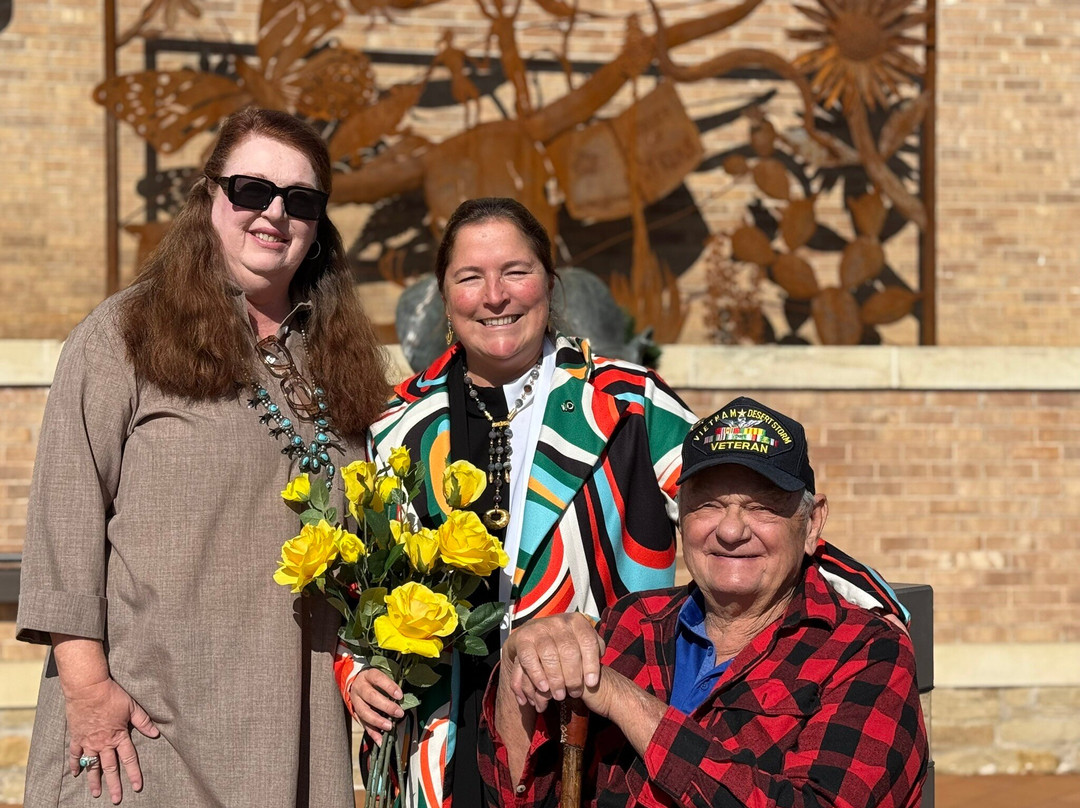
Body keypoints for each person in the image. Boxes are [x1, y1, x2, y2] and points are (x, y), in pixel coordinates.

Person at [339, 198, 910, 808]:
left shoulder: (626, 402)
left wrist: (879, 609)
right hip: (436, 727)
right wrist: (354, 671)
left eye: (516, 271)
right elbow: (364, 579)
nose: (495, 295)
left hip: (582, 725)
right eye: (470, 277)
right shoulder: (396, 424)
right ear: (446, 296)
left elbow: (740, 512)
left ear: (549, 284)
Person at [16, 107, 391, 807]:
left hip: (298, 728)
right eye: (252, 190)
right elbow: (65, 525)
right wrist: (88, 689)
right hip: (148, 734)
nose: (274, 214)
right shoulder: (123, 336)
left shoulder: (340, 362)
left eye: (300, 201)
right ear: (210, 196)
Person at [481, 396, 929, 808]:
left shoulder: (865, 652)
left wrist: (624, 701)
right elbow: (523, 793)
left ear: (811, 523)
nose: (731, 531)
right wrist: (521, 658)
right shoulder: (631, 623)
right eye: (708, 505)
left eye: (762, 507)